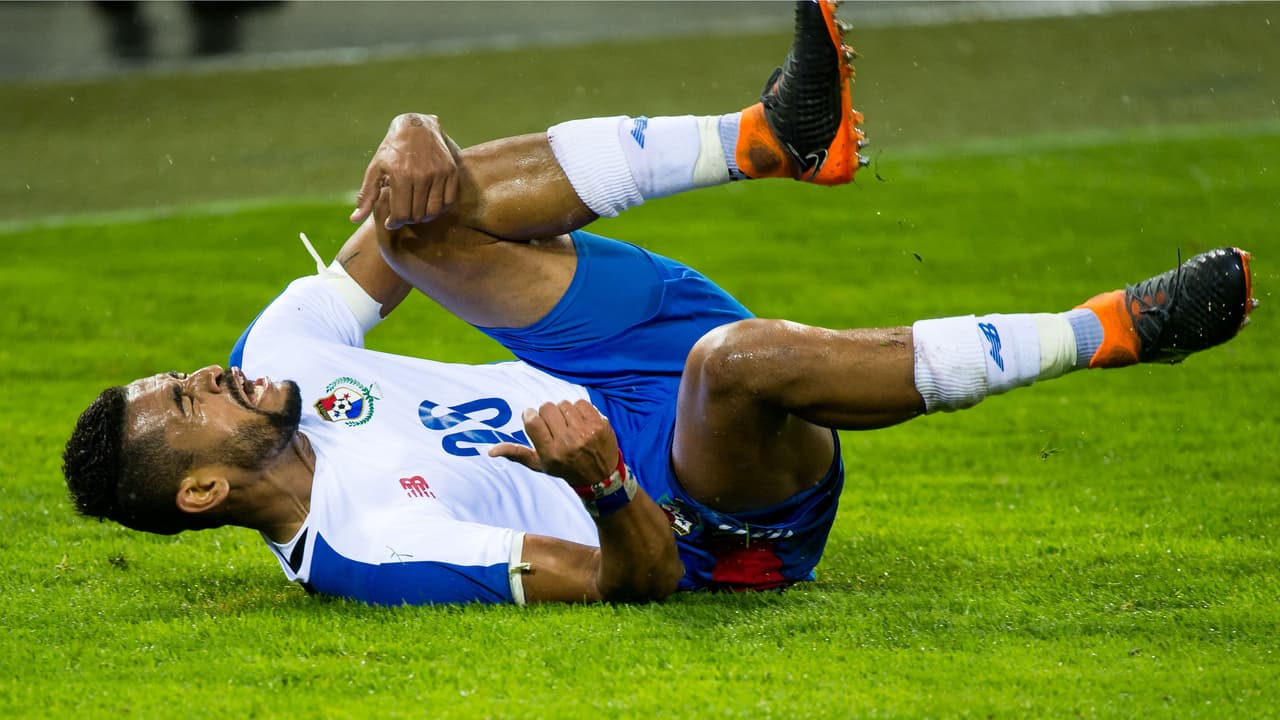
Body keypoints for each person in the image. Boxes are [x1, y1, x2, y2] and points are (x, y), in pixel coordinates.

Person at [63, 0, 1255, 606]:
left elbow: (398, 223)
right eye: (185, 402)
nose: (204, 372)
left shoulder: (280, 350)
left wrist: (409, 130)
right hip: (686, 516)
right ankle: (1112, 331)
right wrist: (600, 485)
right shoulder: (363, 546)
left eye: (182, 374)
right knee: (736, 364)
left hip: (607, 365)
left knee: (413, 209)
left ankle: (771, 138)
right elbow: (630, 583)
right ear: (202, 490)